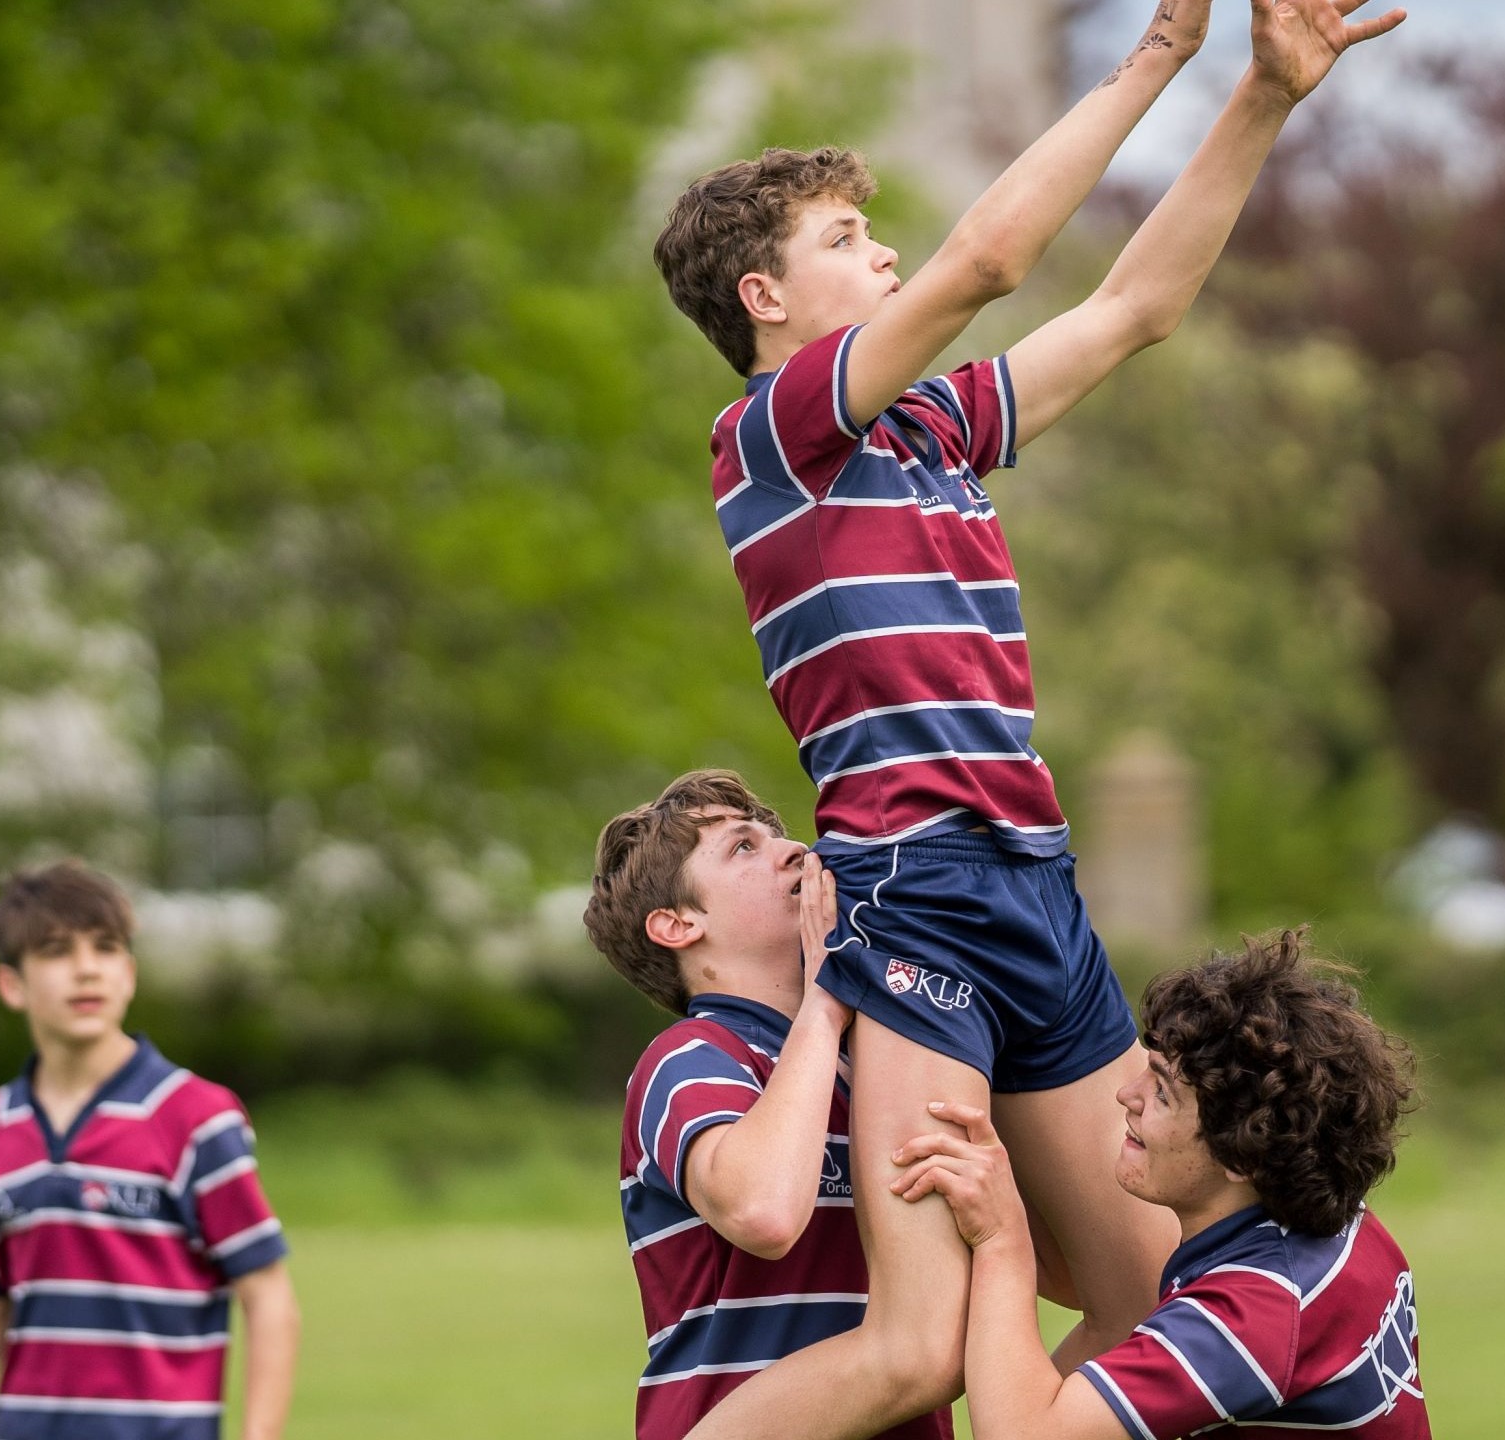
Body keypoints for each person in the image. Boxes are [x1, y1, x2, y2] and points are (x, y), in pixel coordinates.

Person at [648, 0, 1410, 1417]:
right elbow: (991, 257)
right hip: (918, 901)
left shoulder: (931, 427)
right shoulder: (774, 439)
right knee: (918, 1345)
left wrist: (1262, 94)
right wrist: (1155, 55)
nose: (882, 253)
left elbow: (1134, 311)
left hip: (1036, 889)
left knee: (1139, 1296)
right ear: (763, 299)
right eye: (841, 240)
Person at [893, 930, 1429, 1439]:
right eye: (1148, 1070)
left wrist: (999, 1239)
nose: (1127, 1095)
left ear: (1241, 1150)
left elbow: (1023, 1434)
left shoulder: (1258, 1312)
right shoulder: (1340, 1222)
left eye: (1164, 1093)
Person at [586, 770, 960, 1440]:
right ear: (678, 924)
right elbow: (764, 1211)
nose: (794, 851)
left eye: (780, 837)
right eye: (742, 848)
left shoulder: (880, 1063)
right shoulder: (692, 1056)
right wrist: (821, 1006)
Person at [0, 859, 299, 1440]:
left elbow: (267, 1293)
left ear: (128, 974)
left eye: (104, 948)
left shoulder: (195, 1117)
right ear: (12, 984)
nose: (86, 971)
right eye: (55, 951)